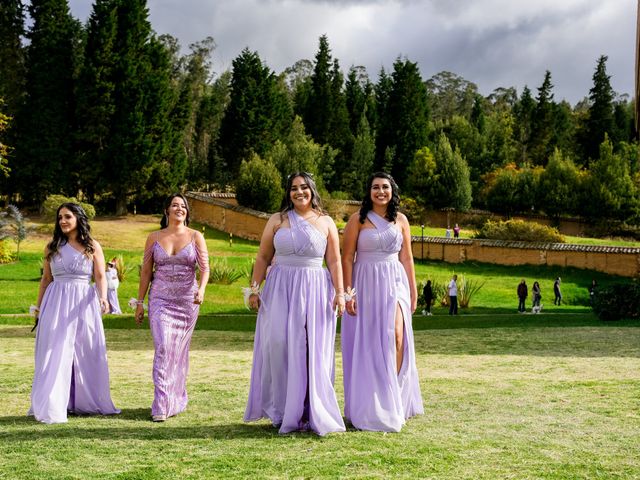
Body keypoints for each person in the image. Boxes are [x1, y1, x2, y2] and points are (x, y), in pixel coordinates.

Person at [244, 172, 346, 436]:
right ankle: (281, 410)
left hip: (314, 288)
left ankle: (309, 411)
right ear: (288, 193)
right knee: (278, 344)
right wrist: (254, 290)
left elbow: (334, 261)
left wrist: (340, 293)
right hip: (279, 288)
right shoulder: (277, 220)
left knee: (311, 348)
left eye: (304, 187)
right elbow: (263, 256)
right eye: (293, 188)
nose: (299, 192)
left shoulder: (325, 222)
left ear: (312, 190)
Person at [342, 172, 423, 432]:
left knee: (396, 336)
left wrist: (413, 288)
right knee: (369, 342)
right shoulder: (358, 220)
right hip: (365, 283)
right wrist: (348, 292)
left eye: (385, 187)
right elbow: (346, 258)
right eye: (375, 187)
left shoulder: (401, 220)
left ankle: (395, 395)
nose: (380, 191)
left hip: (394, 281)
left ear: (392, 190)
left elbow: (407, 257)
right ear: (369, 192)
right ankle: (371, 402)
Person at [28, 203, 120, 424]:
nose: (62, 221)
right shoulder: (51, 246)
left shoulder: (92, 246)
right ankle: (53, 403)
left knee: (84, 350)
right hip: (56, 302)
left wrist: (103, 297)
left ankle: (83, 401)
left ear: (79, 219)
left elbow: (99, 276)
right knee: (55, 351)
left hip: (83, 302)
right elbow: (46, 279)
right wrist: (39, 308)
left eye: (67, 216)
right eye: (60, 217)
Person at [135, 193, 210, 422]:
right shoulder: (153, 237)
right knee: (164, 347)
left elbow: (205, 269)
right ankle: (161, 403)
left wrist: (202, 290)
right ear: (166, 210)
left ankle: (175, 400)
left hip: (187, 301)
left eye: (183, 206)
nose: (179, 208)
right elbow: (146, 272)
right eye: (175, 205)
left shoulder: (196, 236)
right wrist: (140, 303)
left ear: (187, 212)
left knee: (179, 352)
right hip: (160, 300)